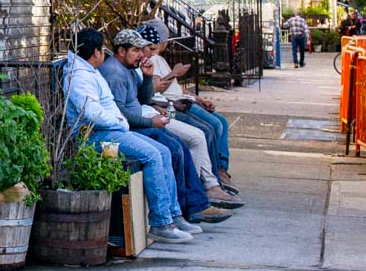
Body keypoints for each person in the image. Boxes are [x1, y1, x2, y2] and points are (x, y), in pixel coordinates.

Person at [62, 28, 192, 244]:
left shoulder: (91, 71)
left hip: (110, 132)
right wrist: (120, 121)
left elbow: (137, 99)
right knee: (151, 155)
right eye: (102, 50)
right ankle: (160, 223)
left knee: (162, 151)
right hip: (96, 139)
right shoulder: (80, 77)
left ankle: (173, 215)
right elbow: (92, 112)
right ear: (95, 52)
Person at [98, 28, 228, 224]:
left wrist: (147, 77)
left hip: (151, 116)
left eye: (141, 49)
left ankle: (195, 205)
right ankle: (184, 210)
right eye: (136, 50)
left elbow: (143, 99)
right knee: (174, 149)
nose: (141, 54)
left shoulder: (130, 68)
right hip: (130, 128)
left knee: (188, 141)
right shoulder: (115, 73)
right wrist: (151, 122)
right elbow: (120, 113)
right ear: (121, 51)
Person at [138, 20, 241, 200]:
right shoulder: (147, 63)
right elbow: (154, 90)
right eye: (147, 48)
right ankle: (209, 181)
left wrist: (199, 99)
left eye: (151, 48)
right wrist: (175, 73)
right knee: (206, 131)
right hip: (168, 106)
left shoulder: (151, 61)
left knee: (216, 125)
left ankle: (213, 178)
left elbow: (158, 92)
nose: (149, 53)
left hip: (170, 105)